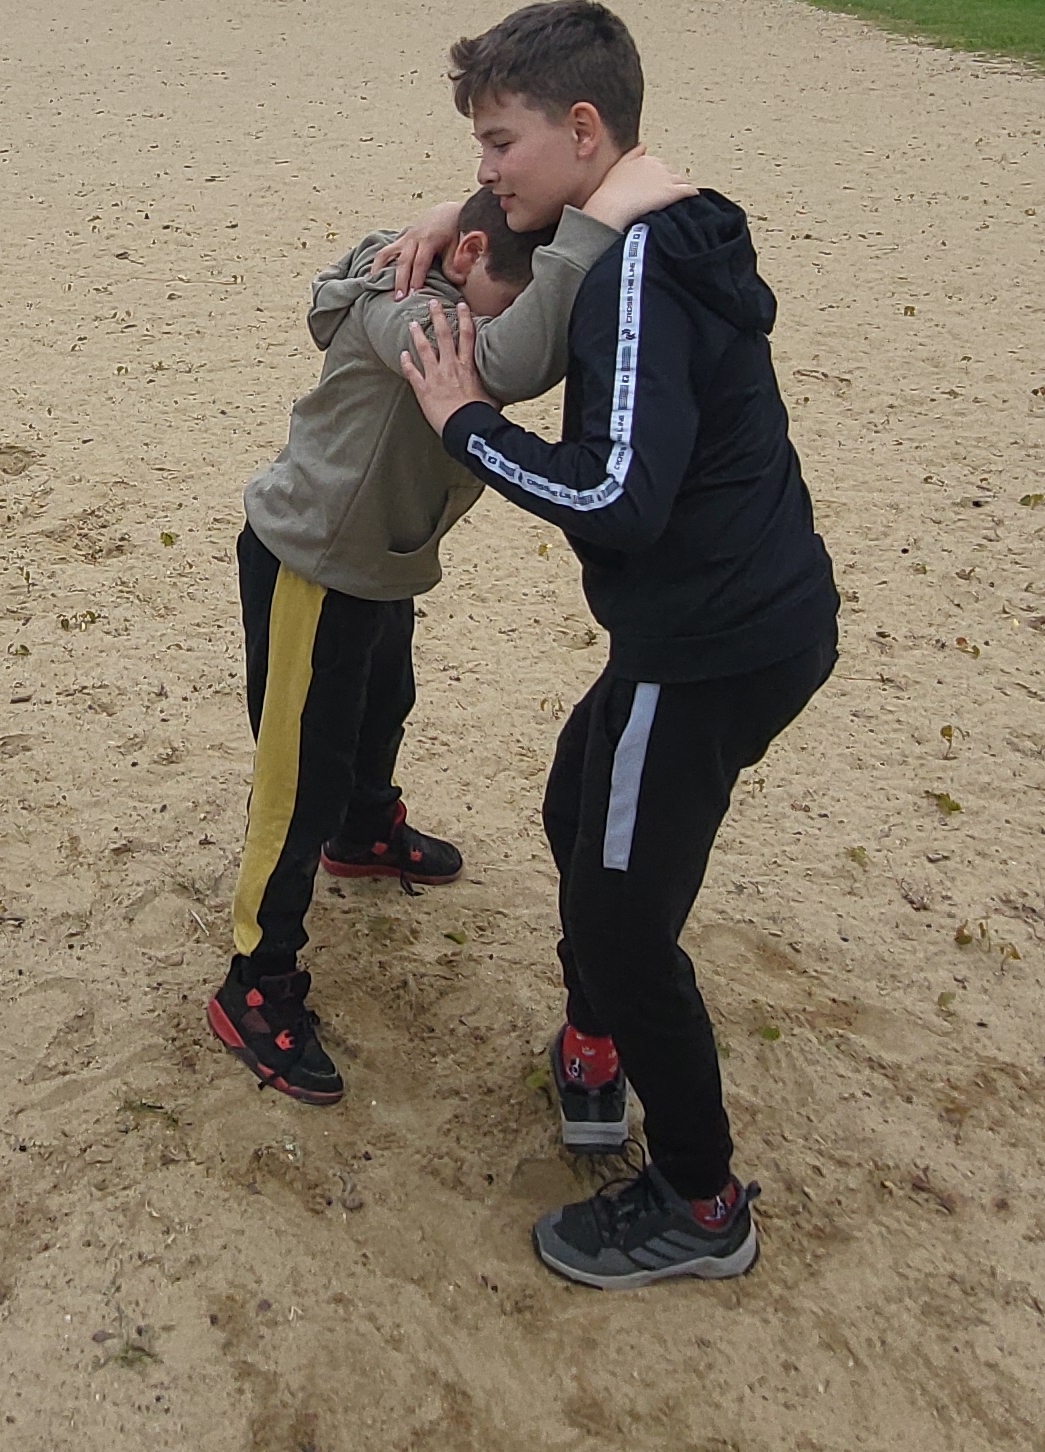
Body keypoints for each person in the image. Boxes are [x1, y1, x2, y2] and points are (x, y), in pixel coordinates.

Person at [395, 0, 839, 1291]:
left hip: (708, 642)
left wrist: (466, 420)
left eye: (500, 142)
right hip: (746, 618)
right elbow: (531, 225)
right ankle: (594, 1046)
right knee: (572, 802)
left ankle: (702, 1201)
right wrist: (445, 215)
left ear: (582, 130)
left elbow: (616, 496)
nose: (486, 169)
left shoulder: (635, 274)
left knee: (623, 919)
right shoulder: (665, 217)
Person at [216, 155, 693, 1105]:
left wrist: (467, 215)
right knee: (297, 781)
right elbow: (506, 363)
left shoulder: (456, 266)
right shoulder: (410, 310)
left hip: (378, 564)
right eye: (513, 305)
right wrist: (593, 230)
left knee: (383, 704)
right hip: (313, 565)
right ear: (469, 254)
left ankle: (364, 831)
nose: (511, 326)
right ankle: (253, 983)